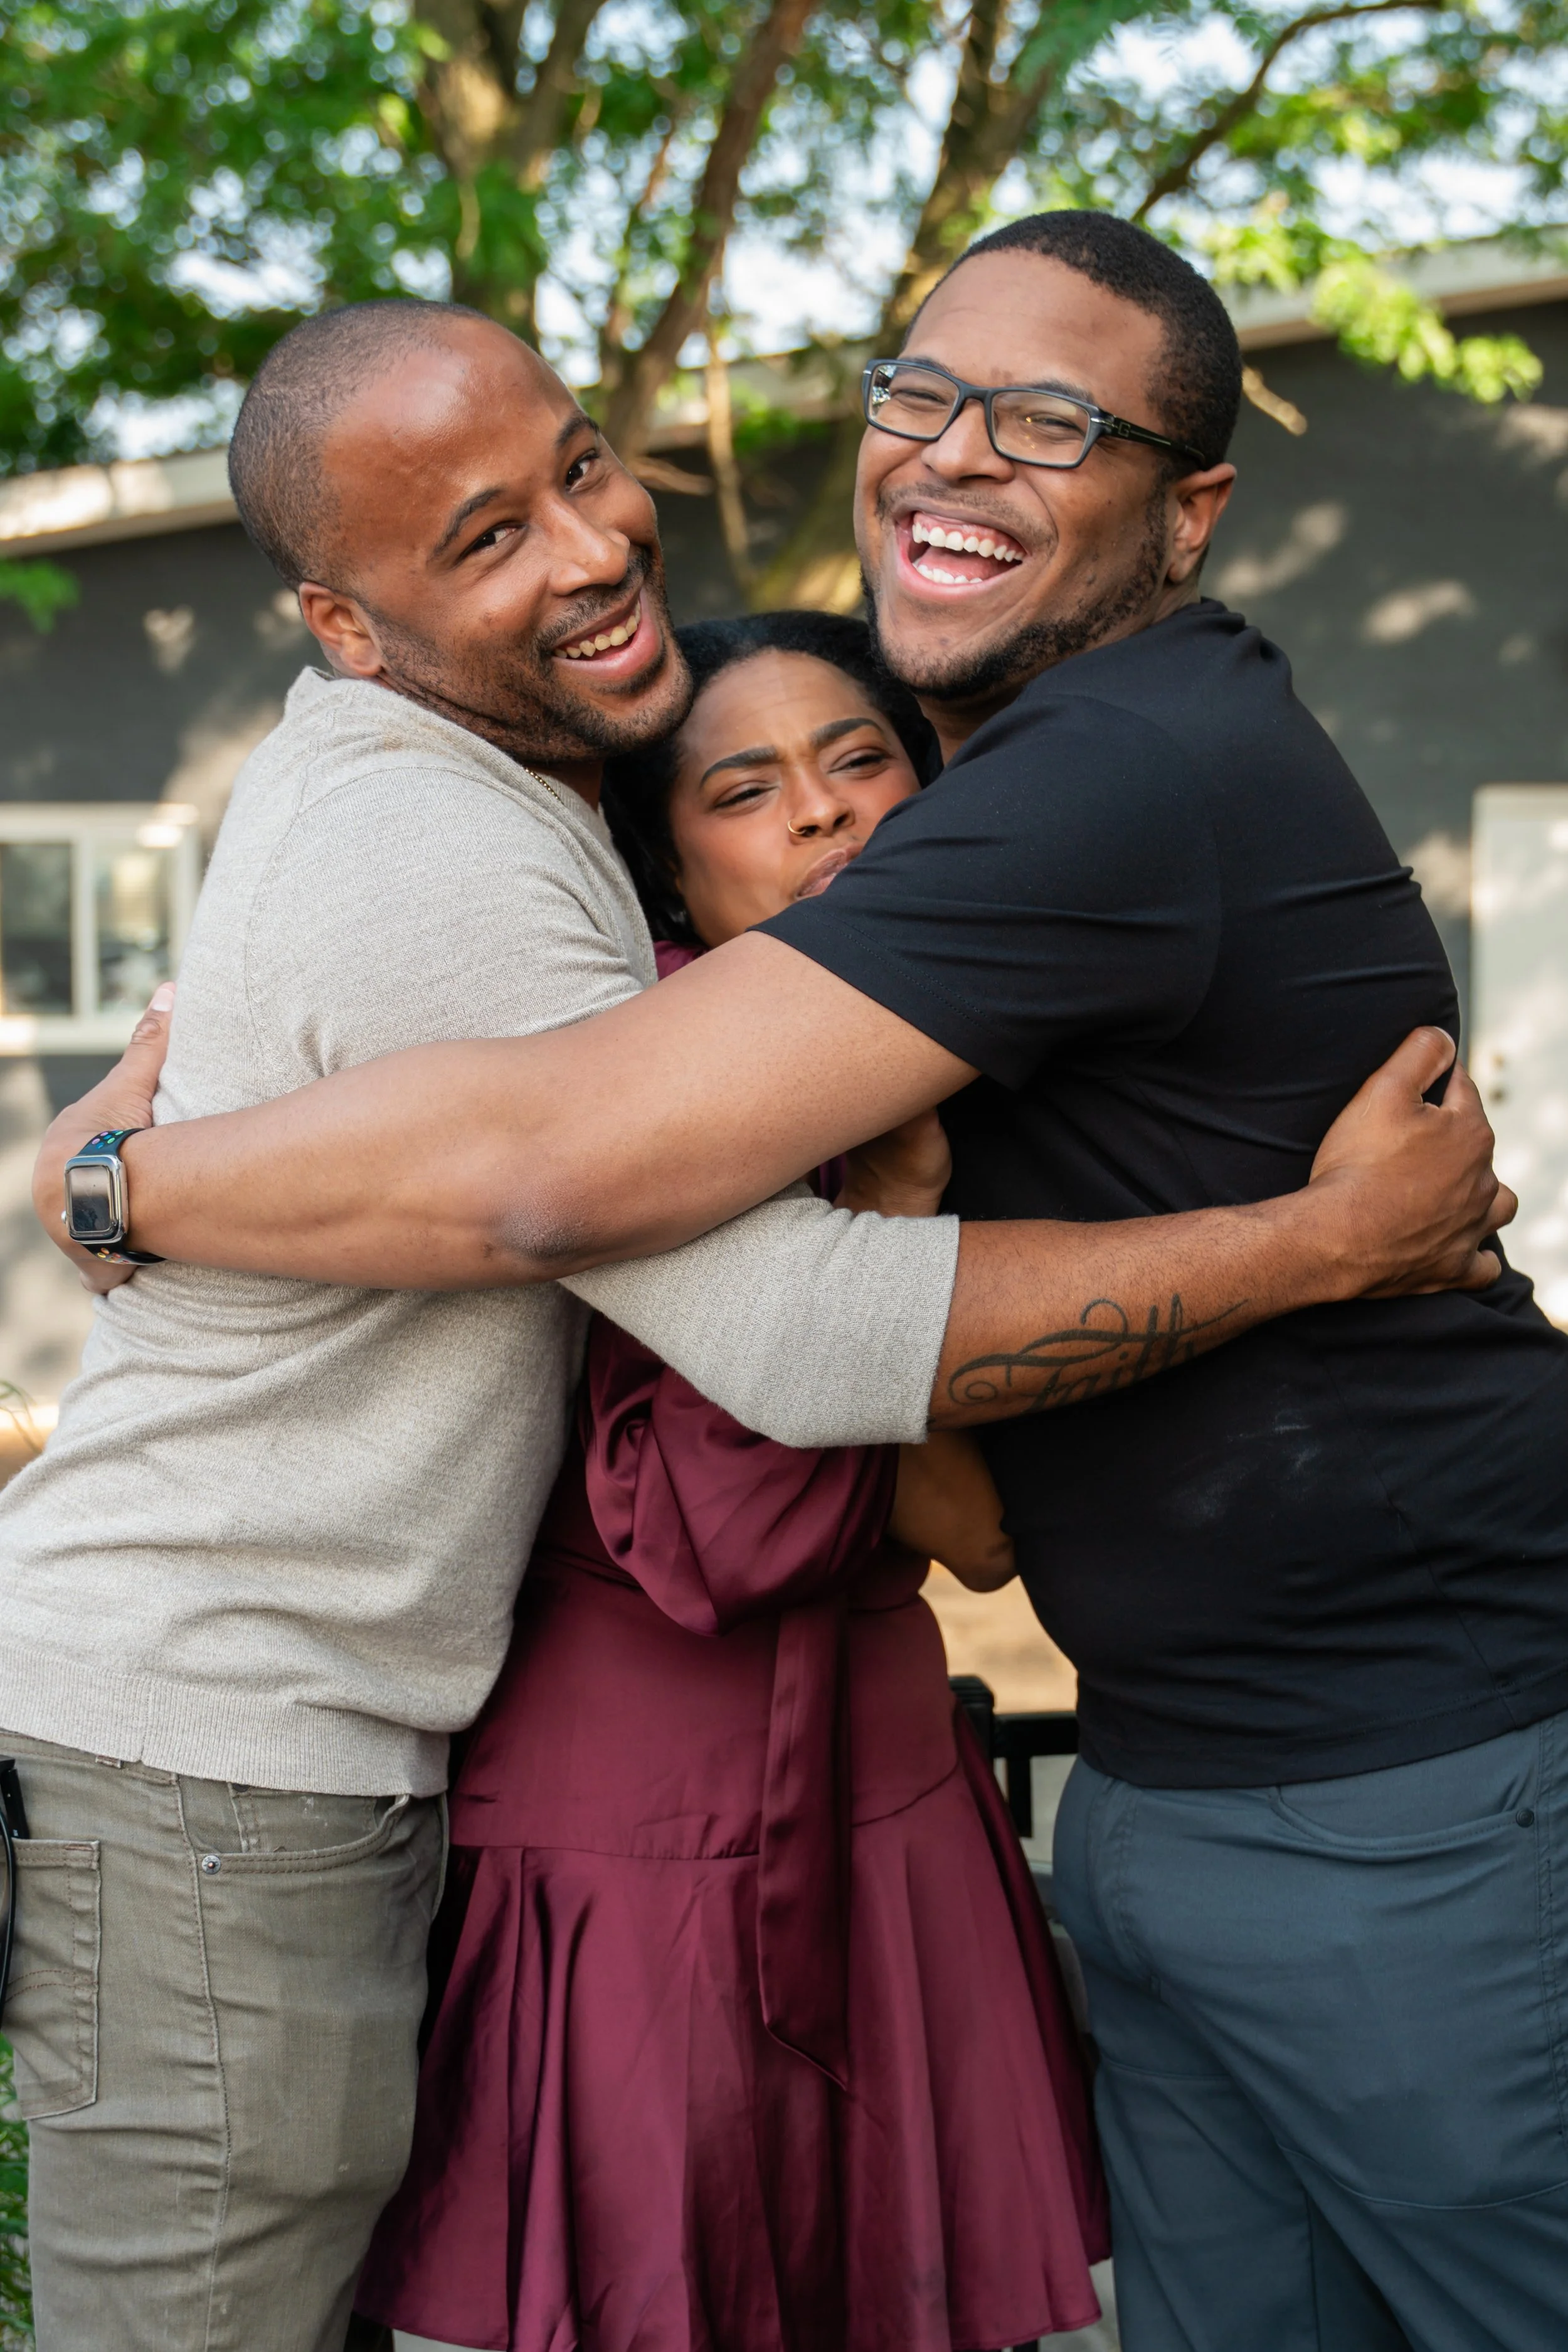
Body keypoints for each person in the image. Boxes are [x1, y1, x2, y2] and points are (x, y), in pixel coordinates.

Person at [27, 235, 1516, 2350]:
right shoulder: (457, 841)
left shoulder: (1013, 805)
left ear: (1186, 507)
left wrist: (112, 1180)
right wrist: (111, 1180)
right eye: (485, 536)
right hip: (257, 1736)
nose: (590, 545)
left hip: (1302, 1764)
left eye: (582, 467)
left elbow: (897, 1456)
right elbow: (722, 1287)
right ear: (347, 627)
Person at [356, 610, 1109, 2352]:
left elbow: (978, 1531)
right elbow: (739, 1526)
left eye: (860, 761)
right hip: (636, 1815)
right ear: (670, 874)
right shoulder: (638, 1080)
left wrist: (905, 1189)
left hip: (886, 1787)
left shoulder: (945, 1066)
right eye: (746, 789)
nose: (823, 813)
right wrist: (893, 1209)